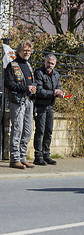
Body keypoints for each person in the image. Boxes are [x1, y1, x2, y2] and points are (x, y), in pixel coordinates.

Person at [4, 40, 36, 169]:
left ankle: (23, 158)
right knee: (17, 129)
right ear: (18, 51)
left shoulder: (28, 65)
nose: (27, 52)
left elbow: (32, 82)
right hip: (17, 101)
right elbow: (9, 83)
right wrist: (25, 88)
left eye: (29, 50)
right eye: (24, 50)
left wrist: (34, 88)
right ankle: (15, 159)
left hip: (29, 101)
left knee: (28, 131)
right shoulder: (12, 65)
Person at [33, 54, 64, 166]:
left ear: (55, 64)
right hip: (40, 106)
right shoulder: (39, 73)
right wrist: (53, 93)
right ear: (44, 62)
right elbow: (39, 91)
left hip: (50, 106)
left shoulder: (56, 74)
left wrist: (60, 92)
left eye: (52, 63)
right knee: (40, 131)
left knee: (49, 131)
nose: (49, 65)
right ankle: (38, 156)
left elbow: (58, 86)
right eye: (48, 62)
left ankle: (46, 154)